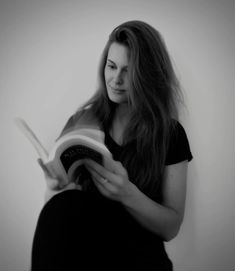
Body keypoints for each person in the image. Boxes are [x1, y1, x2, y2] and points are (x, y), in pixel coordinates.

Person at [31, 20, 193, 271]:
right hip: (85, 251)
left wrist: (127, 193)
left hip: (139, 257)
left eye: (128, 71)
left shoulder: (170, 134)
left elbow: (171, 227)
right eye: (111, 66)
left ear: (147, 74)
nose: (116, 79)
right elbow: (57, 213)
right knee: (57, 210)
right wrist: (54, 190)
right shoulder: (81, 121)